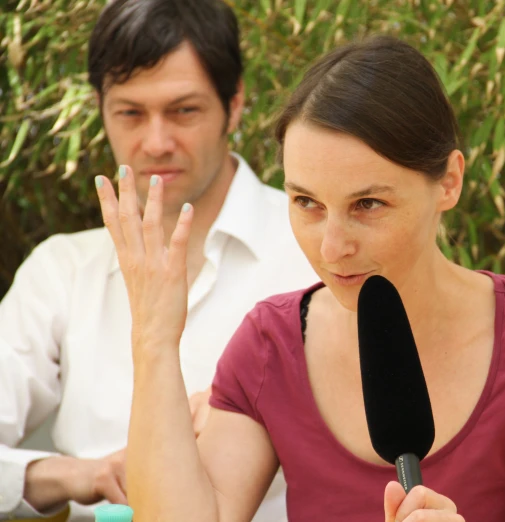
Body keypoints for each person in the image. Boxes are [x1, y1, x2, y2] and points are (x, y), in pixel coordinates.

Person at [95, 36, 505, 522]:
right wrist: (154, 342)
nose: (331, 247)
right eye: (306, 203)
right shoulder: (271, 345)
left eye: (368, 204)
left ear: (450, 182)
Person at [0, 1, 317, 521]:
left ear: (234, 104)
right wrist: (85, 474)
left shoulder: (318, 252)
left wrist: (263, 404)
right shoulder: (61, 271)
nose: (156, 142)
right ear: (99, 108)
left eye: (183, 110)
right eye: (130, 113)